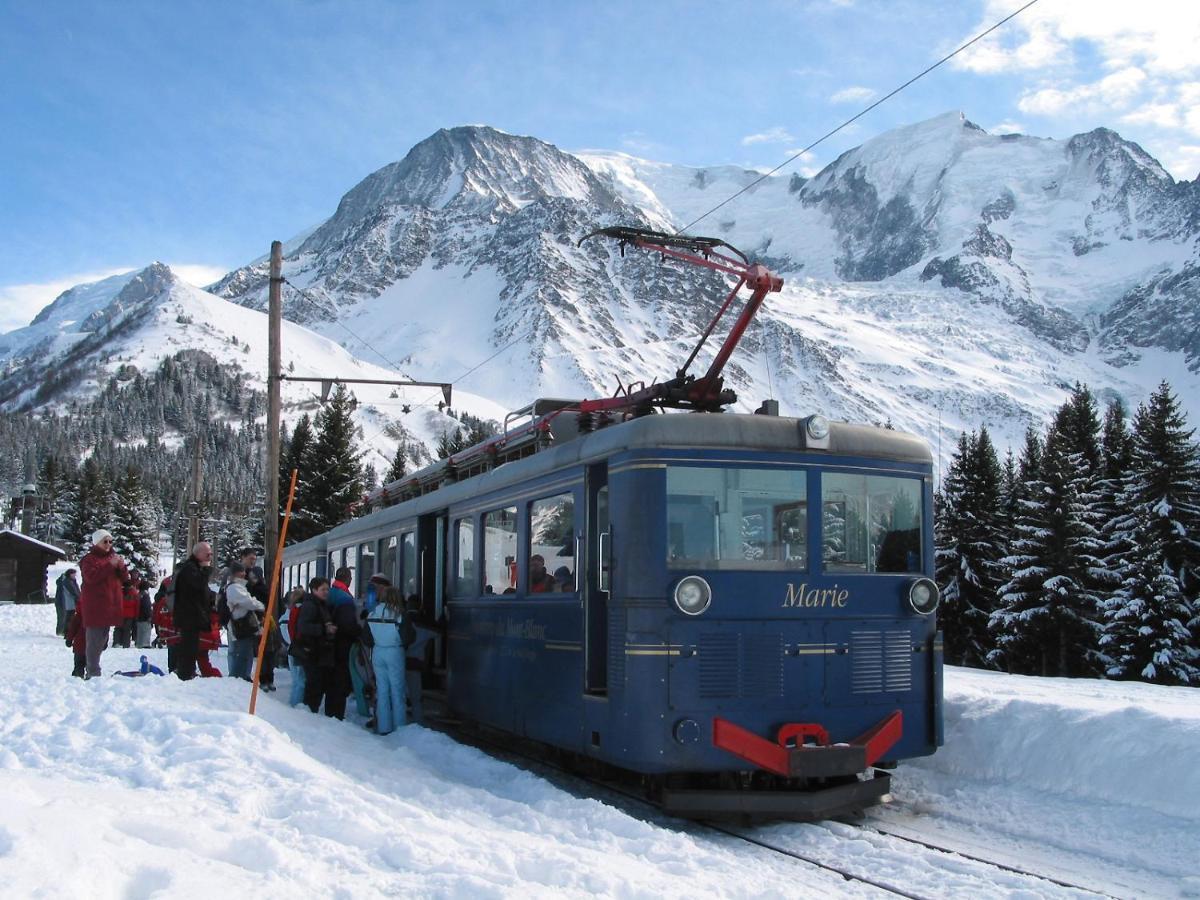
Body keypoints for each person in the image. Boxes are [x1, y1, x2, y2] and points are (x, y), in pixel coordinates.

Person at [78, 530, 130, 679]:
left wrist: (121, 567)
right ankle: (93, 672)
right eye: (105, 541)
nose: (108, 545)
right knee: (94, 641)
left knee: (102, 641)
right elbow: (91, 577)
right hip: (95, 607)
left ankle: (92, 668)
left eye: (110, 541)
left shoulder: (114, 557)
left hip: (110, 605)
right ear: (97, 542)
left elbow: (125, 579)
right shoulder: (89, 559)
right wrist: (109, 565)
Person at [366, 586, 409, 734]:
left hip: (378, 652)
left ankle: (384, 727)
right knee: (397, 691)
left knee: (382, 691)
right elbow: (409, 636)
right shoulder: (399, 614)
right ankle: (400, 728)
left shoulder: (372, 613)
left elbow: (366, 637)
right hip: (394, 651)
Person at [173, 541, 215, 681]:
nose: (210, 557)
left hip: (193, 615)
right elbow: (198, 587)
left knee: (192, 647)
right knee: (188, 648)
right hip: (189, 615)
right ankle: (185, 674)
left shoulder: (194, 568)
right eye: (207, 554)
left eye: (211, 554)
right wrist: (206, 570)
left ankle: (187, 672)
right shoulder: (190, 569)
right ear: (198, 554)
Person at [326, 567, 361, 720]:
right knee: (340, 681)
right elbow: (347, 624)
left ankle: (329, 711)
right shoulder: (345, 598)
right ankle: (337, 714)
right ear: (347, 578)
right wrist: (358, 634)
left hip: (329, 644)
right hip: (342, 644)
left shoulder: (330, 593)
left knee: (331, 681)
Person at [296, 577, 336, 714]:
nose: (326, 592)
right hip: (312, 651)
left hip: (318, 652)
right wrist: (324, 629)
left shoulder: (320, 604)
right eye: (322, 589)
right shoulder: (310, 605)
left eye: (327, 589)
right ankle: (309, 714)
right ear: (314, 590)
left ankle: (311, 713)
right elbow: (303, 627)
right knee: (314, 686)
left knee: (317, 685)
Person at [225, 562, 264, 681]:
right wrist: (260, 605)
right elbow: (248, 601)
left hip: (241, 623)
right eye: (242, 571)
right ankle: (237, 677)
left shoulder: (235, 586)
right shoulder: (234, 587)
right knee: (242, 653)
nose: (245, 573)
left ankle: (239, 677)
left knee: (244, 652)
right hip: (242, 624)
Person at [282, 587, 307, 706]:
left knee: (296, 680)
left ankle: (294, 703)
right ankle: (296, 704)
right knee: (300, 680)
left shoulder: (289, 613)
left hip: (293, 649)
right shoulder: (298, 611)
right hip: (298, 649)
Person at [53, 569, 79, 635]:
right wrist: (79, 598)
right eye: (74, 574)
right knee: (64, 617)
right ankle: (62, 632)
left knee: (66, 617)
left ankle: (63, 631)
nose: (75, 576)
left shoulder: (71, 581)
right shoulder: (66, 582)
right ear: (70, 574)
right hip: (64, 603)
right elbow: (74, 592)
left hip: (67, 603)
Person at [65, 608, 86, 677]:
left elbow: (73, 628)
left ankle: (77, 678)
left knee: (79, 664)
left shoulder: (80, 613)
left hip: (80, 645)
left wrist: (69, 639)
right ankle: (91, 680)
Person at [135, 579, 154, 648]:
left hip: (139, 616)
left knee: (140, 631)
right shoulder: (146, 595)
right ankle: (145, 644)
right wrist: (149, 616)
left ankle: (139, 643)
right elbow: (147, 606)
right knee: (146, 631)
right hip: (145, 617)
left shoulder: (138, 594)